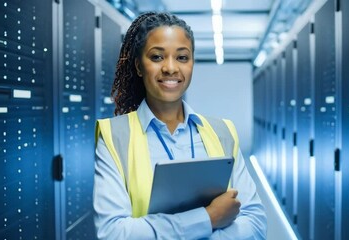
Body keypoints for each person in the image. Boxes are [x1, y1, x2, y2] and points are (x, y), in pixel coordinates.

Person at [93, 12, 267, 239]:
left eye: (182, 57)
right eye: (157, 57)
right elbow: (113, 232)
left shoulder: (222, 132)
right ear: (138, 66)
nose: (170, 68)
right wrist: (209, 218)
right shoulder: (114, 136)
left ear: (192, 63)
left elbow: (255, 222)